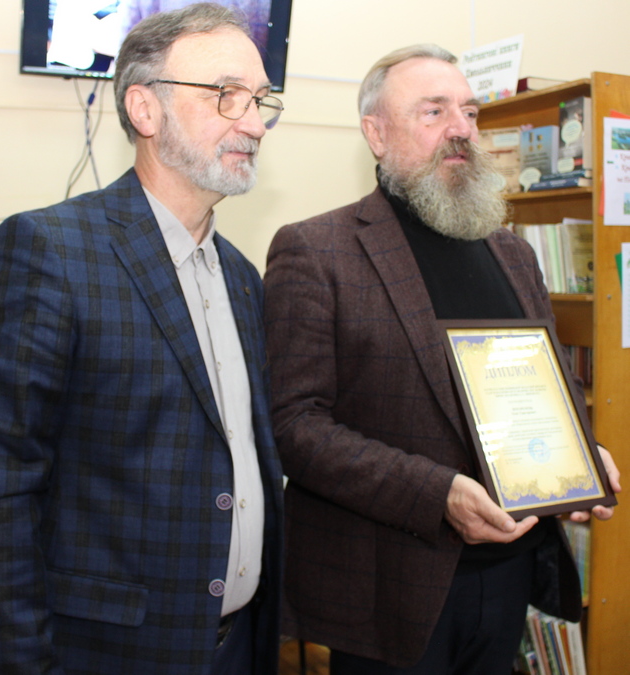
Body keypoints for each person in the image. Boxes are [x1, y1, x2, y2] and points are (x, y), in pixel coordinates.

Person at [0, 4, 285, 674]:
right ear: (145, 108)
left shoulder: (243, 278)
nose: (253, 122)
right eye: (226, 95)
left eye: (260, 99)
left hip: (239, 646)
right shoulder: (49, 250)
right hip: (108, 652)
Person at [263, 44, 621, 675]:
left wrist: (578, 454)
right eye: (434, 111)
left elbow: (548, 384)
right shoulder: (316, 250)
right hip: (388, 588)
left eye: (470, 112)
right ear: (376, 133)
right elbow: (294, 426)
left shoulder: (514, 254)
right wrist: (439, 495)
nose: (461, 129)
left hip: (510, 572)